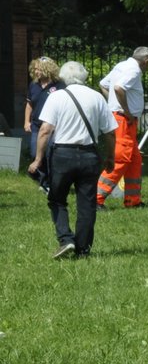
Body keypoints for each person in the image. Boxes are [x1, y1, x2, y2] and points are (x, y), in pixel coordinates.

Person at [28, 60, 116, 259]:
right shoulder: (97, 97)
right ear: (84, 76)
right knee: (87, 203)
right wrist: (111, 157)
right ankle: (83, 248)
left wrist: (38, 158)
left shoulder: (57, 97)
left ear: (63, 77)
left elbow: (45, 130)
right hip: (90, 154)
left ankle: (66, 239)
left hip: (62, 155)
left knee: (57, 199)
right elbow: (110, 133)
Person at [96, 47, 148, 208]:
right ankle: (96, 198)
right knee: (120, 159)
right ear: (147, 61)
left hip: (121, 119)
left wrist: (113, 104)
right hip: (125, 121)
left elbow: (103, 84)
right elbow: (118, 88)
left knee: (134, 160)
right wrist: (126, 112)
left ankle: (132, 201)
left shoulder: (121, 66)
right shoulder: (134, 71)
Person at [24, 57, 61, 190]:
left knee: (49, 154)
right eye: (35, 69)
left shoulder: (59, 85)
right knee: (35, 153)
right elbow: (29, 104)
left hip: (53, 126)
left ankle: (49, 183)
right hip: (36, 125)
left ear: (48, 69)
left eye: (39, 69)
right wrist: (26, 121)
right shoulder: (33, 85)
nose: (36, 71)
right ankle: (43, 179)